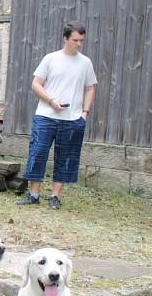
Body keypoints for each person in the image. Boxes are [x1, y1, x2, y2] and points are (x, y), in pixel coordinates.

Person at [16, 21, 97, 210]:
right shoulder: (51, 59)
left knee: (66, 157)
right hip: (46, 115)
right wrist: (51, 101)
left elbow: (91, 88)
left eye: (81, 40)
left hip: (72, 118)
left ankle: (55, 196)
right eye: (75, 40)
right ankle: (34, 194)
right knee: (38, 153)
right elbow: (36, 84)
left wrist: (84, 113)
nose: (79, 44)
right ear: (65, 38)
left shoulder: (85, 63)